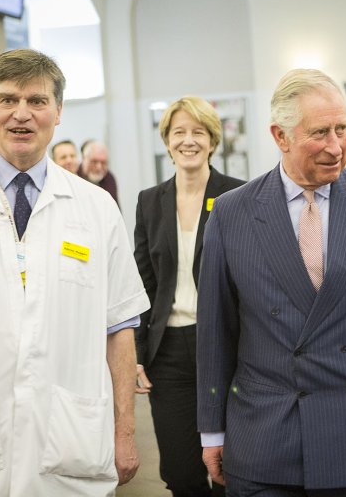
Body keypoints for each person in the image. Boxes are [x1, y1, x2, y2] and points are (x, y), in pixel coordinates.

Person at [0, 48, 150, 496]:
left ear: (58, 112)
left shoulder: (97, 207)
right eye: (8, 100)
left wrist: (124, 432)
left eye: (37, 101)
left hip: (69, 449)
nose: (21, 114)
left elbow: (119, 326)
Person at [196, 69, 346, 495]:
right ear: (280, 136)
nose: (336, 147)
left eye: (342, 129)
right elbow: (215, 331)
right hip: (266, 439)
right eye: (320, 132)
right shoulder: (232, 213)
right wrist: (212, 430)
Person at [134, 96, 244, 496]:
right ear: (167, 141)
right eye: (179, 132)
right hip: (169, 353)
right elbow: (143, 285)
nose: (188, 140)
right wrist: (137, 353)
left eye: (198, 132)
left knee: (231, 468)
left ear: (212, 140)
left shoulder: (238, 195)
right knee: (181, 474)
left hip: (225, 346)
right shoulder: (150, 201)